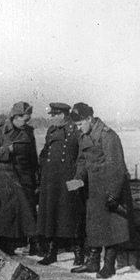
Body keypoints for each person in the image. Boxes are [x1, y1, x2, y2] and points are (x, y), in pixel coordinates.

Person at [66, 103, 134, 279]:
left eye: (81, 123)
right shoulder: (84, 135)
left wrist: (113, 195)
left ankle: (109, 266)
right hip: (93, 190)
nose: (79, 128)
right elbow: (82, 161)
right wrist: (78, 179)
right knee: (94, 225)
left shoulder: (108, 136)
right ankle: (93, 262)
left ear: (89, 118)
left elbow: (117, 168)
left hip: (110, 188)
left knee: (112, 227)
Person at [0, 101, 40, 256]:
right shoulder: (0, 130)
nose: (26, 123)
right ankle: (4, 242)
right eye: (25, 119)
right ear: (15, 117)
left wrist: (36, 176)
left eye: (28, 120)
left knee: (26, 209)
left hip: (23, 175)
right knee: (4, 213)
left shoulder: (28, 132)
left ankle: (32, 242)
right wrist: (7, 150)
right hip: (2, 177)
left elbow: (33, 155)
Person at [36, 102, 86, 266]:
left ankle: (79, 253)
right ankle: (52, 252)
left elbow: (82, 157)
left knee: (73, 215)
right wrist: (42, 169)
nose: (52, 118)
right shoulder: (52, 131)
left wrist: (78, 178)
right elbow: (44, 153)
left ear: (63, 115)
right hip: (51, 180)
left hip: (70, 179)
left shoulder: (76, 130)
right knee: (51, 215)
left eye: (54, 115)